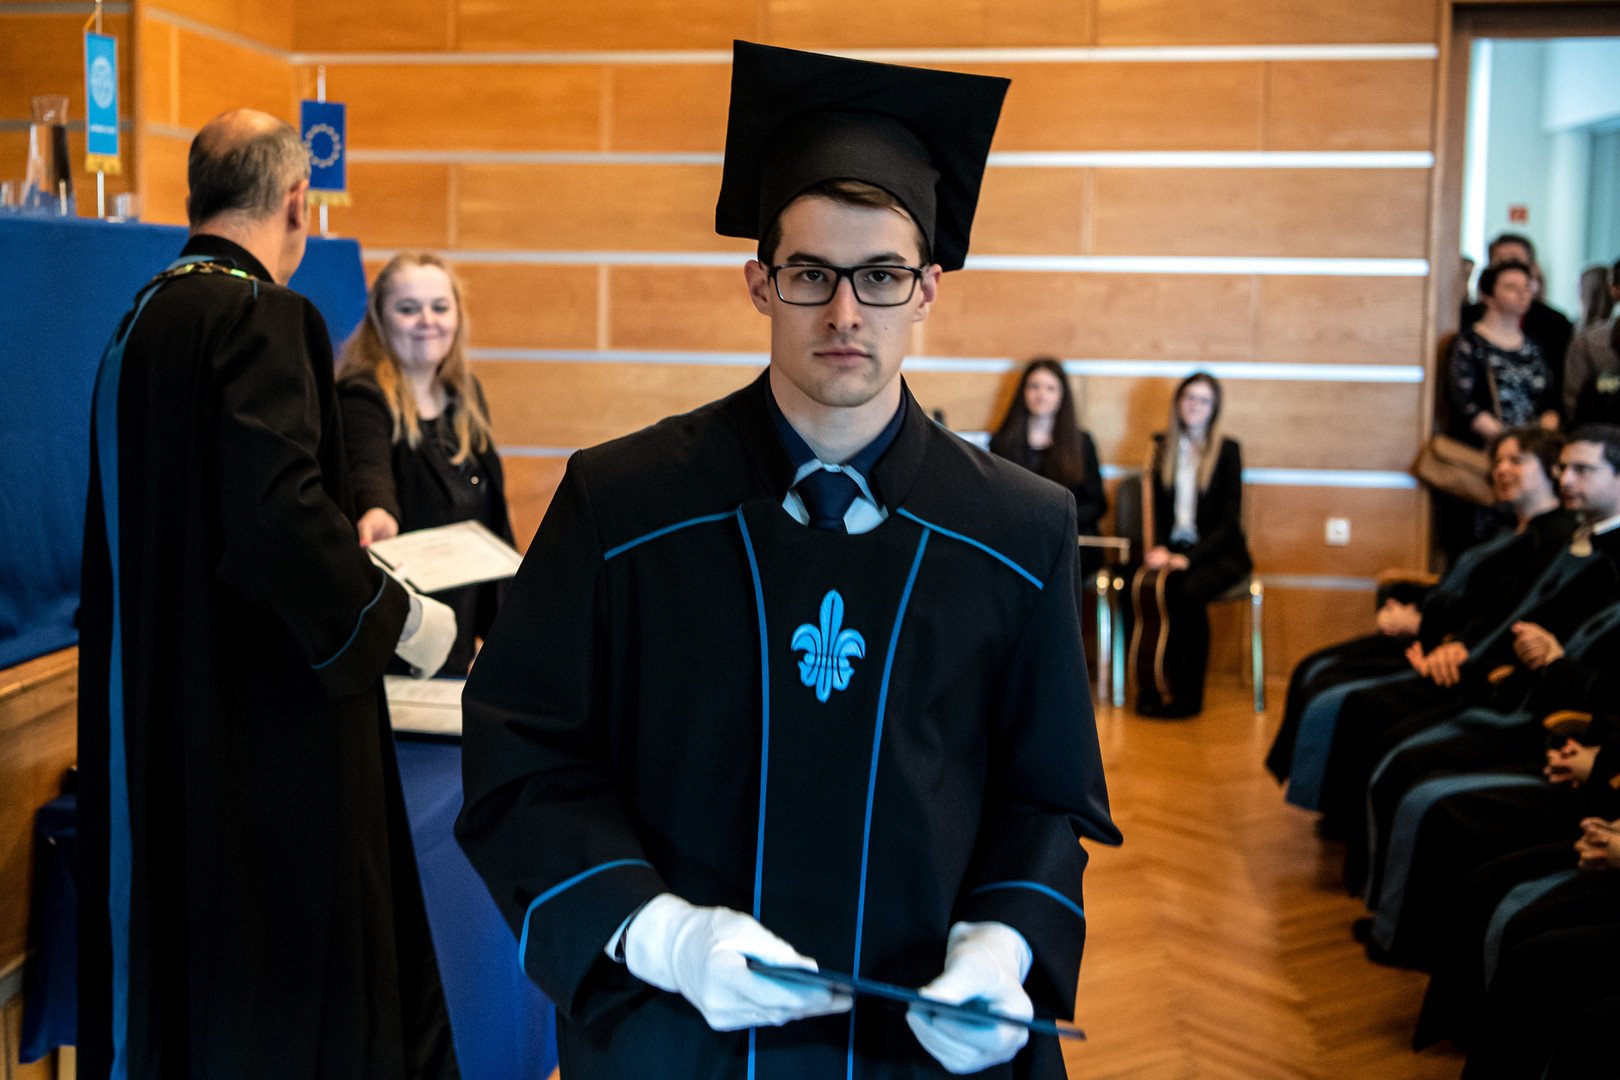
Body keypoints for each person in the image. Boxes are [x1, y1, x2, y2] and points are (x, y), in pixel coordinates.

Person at [455, 41, 1121, 1080]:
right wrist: (660, 933)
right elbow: (525, 758)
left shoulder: (1020, 531)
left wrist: (1003, 950)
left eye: (882, 276)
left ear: (928, 290)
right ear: (759, 284)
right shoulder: (622, 507)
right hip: (682, 1037)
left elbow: (1045, 797)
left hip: (920, 1045)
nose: (846, 314)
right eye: (811, 274)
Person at [77, 110, 461, 1080]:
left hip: (157, 706)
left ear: (192, 199)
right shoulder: (263, 313)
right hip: (258, 725)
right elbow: (280, 517)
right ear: (298, 202)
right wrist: (399, 618)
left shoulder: (137, 323)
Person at [1267, 426, 1572, 789]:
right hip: (1431, 629)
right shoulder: (1507, 528)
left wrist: (1426, 625)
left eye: (1517, 460)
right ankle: (1306, 785)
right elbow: (1455, 587)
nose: (1502, 469)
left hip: (1454, 648)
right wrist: (1408, 608)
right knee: (1312, 668)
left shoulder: (1553, 538)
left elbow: (1496, 612)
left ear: (1552, 470)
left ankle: (1329, 800)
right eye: (1498, 461)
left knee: (1337, 693)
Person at [337, 253, 514, 676]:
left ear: (457, 316)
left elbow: (492, 519)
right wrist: (376, 511)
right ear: (380, 319)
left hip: (456, 639)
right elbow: (367, 468)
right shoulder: (361, 396)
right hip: (394, 644)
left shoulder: (464, 397)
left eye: (439, 307)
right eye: (408, 309)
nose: (427, 321)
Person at [1129, 372, 1252, 718]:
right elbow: (1156, 510)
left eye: (1204, 400)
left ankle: (1190, 696)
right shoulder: (1161, 446)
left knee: (1187, 592)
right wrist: (1160, 549)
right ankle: (1155, 682)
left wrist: (1188, 559)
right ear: (1178, 403)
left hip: (1221, 554)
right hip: (1175, 549)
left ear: (1214, 408)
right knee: (1142, 588)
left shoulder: (1227, 451)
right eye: (1189, 397)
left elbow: (1228, 522)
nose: (1195, 405)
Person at [988, 358, 1106, 541]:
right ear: (1023, 392)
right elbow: (996, 499)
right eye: (1034, 387)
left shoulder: (1082, 442)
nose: (1041, 395)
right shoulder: (1001, 443)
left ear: (1062, 395)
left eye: (1050, 388)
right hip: (1018, 536)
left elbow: (1096, 504)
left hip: (1069, 536)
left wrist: (1058, 521)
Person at [1460, 233, 1574, 385]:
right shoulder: (1466, 319)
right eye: (1501, 263)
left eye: (1516, 262)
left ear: (1532, 269)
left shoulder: (1556, 325)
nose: (1510, 270)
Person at [1564, 258, 1620, 422]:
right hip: (1599, 429)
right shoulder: (1588, 340)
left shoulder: (1587, 338)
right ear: (1613, 289)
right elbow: (1573, 399)